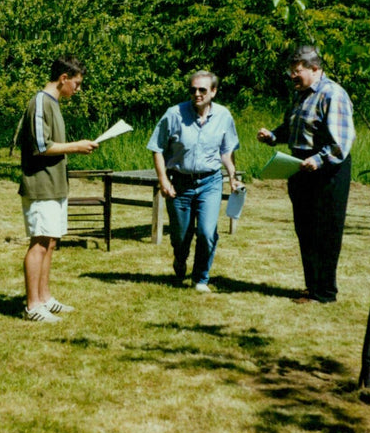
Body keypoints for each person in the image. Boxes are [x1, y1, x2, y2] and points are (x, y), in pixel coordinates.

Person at [257, 45, 356, 304]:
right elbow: (293, 127)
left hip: (327, 170)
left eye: (296, 71)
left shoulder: (333, 94)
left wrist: (319, 159)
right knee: (306, 229)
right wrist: (274, 136)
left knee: (325, 231)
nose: (292, 76)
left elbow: (342, 142)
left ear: (315, 69)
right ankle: (312, 287)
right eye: (291, 71)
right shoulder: (302, 94)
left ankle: (325, 293)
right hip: (300, 166)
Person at [18, 56, 98, 322]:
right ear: (64, 78)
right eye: (76, 84)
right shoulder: (40, 102)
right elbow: (41, 146)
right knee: (39, 243)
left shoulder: (54, 103)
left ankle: (45, 299)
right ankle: (32, 306)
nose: (78, 89)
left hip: (55, 185)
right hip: (40, 186)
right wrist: (77, 146)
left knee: (51, 242)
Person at [147, 70, 243, 292]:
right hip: (180, 182)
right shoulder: (174, 114)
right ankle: (180, 259)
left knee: (207, 233)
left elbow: (227, 151)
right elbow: (156, 148)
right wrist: (163, 180)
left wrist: (232, 176)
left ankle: (200, 278)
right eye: (193, 90)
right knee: (181, 236)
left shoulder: (224, 116)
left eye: (202, 90)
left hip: (210, 182)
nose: (197, 94)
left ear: (214, 91)